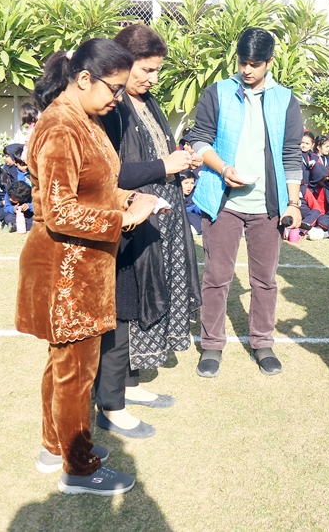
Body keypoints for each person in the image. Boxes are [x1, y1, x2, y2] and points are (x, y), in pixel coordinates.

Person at [15, 37, 158, 495]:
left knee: (65, 364)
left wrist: (131, 198)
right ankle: (79, 469)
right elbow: (60, 212)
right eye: (113, 88)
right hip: (67, 269)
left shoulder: (85, 120)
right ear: (83, 79)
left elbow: (96, 187)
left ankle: (54, 447)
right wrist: (124, 218)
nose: (118, 97)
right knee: (75, 371)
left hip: (86, 266)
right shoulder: (61, 127)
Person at [95, 23, 203, 439]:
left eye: (157, 70)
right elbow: (112, 173)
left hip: (160, 214)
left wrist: (179, 164)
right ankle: (112, 399)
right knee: (128, 303)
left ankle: (129, 383)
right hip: (131, 219)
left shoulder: (146, 101)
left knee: (143, 297)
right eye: (146, 69)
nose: (152, 78)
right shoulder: (111, 106)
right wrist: (164, 166)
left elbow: (157, 154)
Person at [187, 27, 304, 378]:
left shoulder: (286, 100)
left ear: (269, 62)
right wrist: (223, 169)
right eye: (242, 62)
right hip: (222, 202)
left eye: (255, 64)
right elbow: (199, 140)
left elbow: (291, 154)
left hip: (268, 206)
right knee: (216, 277)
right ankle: (212, 345)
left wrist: (293, 203)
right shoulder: (218, 92)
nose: (247, 70)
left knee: (265, 280)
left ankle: (262, 343)